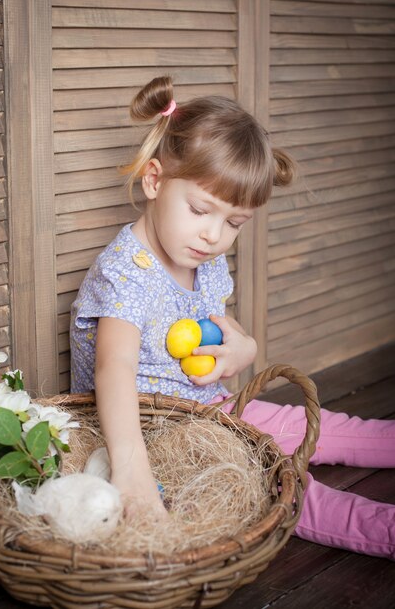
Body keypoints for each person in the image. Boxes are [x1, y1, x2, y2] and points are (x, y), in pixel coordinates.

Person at [70, 76, 395, 559]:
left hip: (217, 411)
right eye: (201, 210)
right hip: (159, 435)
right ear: (155, 180)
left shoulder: (205, 259)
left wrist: (246, 347)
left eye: (234, 224)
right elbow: (112, 369)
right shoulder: (125, 272)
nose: (213, 236)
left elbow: (221, 324)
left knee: (330, 428)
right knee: (285, 489)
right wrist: (132, 468)